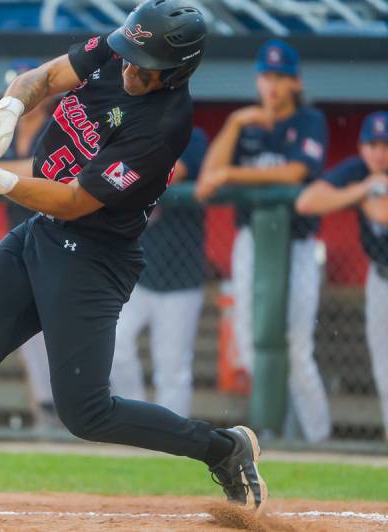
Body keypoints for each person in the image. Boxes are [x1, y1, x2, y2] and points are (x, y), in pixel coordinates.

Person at [0, 3, 267, 529]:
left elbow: (76, 201)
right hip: (38, 237)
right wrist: (8, 111)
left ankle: (221, 449)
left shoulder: (165, 124)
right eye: (127, 56)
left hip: (95, 259)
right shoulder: (119, 49)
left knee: (86, 413)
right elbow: (47, 76)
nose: (128, 69)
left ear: (177, 72)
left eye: (143, 66)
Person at [196, 39, 332, 444]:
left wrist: (234, 176)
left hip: (298, 247)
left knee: (297, 349)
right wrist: (235, 124)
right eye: (266, 76)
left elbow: (294, 174)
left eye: (281, 77)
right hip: (251, 241)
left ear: (295, 82)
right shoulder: (247, 125)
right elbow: (207, 180)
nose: (272, 86)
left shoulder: (309, 120)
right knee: (250, 339)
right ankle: (272, 435)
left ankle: (320, 440)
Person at [296, 111, 388, 441]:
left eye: (386, 145)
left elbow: (382, 212)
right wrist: (361, 190)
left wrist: (369, 199)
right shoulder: (361, 173)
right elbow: (307, 201)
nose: (379, 152)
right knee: (384, 371)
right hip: (379, 279)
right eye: (372, 144)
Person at [110, 128, 208, 417]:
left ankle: (170, 438)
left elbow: (178, 172)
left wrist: (133, 176)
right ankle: (135, 418)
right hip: (136, 272)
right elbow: (110, 176)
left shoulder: (191, 136)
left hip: (182, 277)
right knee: (113, 343)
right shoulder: (131, 132)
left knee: (173, 368)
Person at [0, 59, 58, 428]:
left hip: (59, 235)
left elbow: (42, 165)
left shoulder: (57, 123)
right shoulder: (1, 132)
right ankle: (44, 412)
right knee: (26, 334)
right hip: (20, 242)